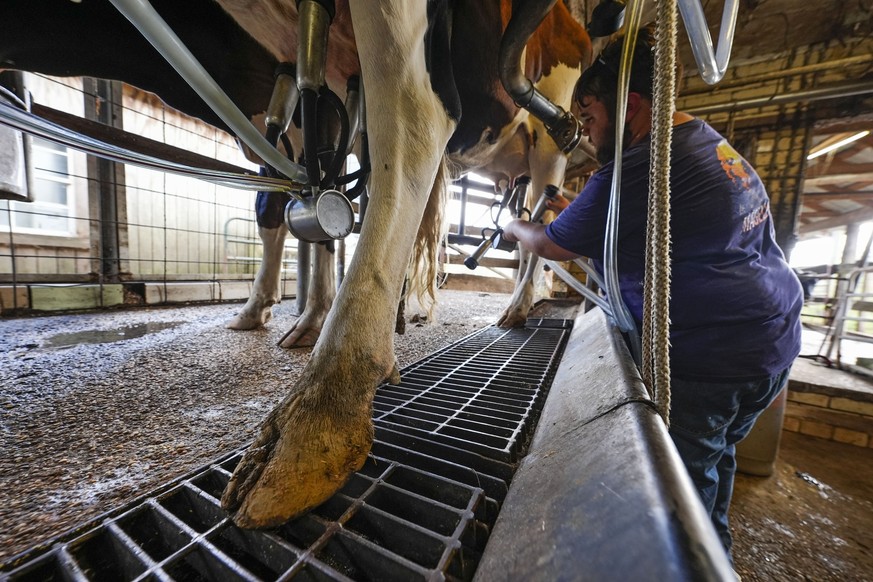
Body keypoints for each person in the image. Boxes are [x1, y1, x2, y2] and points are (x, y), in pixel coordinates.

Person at [502, 24, 803, 561]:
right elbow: (638, 221)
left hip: (711, 361)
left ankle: (695, 564)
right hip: (771, 345)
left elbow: (550, 246)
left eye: (591, 118)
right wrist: (575, 213)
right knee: (717, 457)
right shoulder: (703, 140)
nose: (590, 134)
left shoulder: (637, 166)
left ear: (630, 106)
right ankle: (720, 549)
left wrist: (516, 227)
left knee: (678, 497)